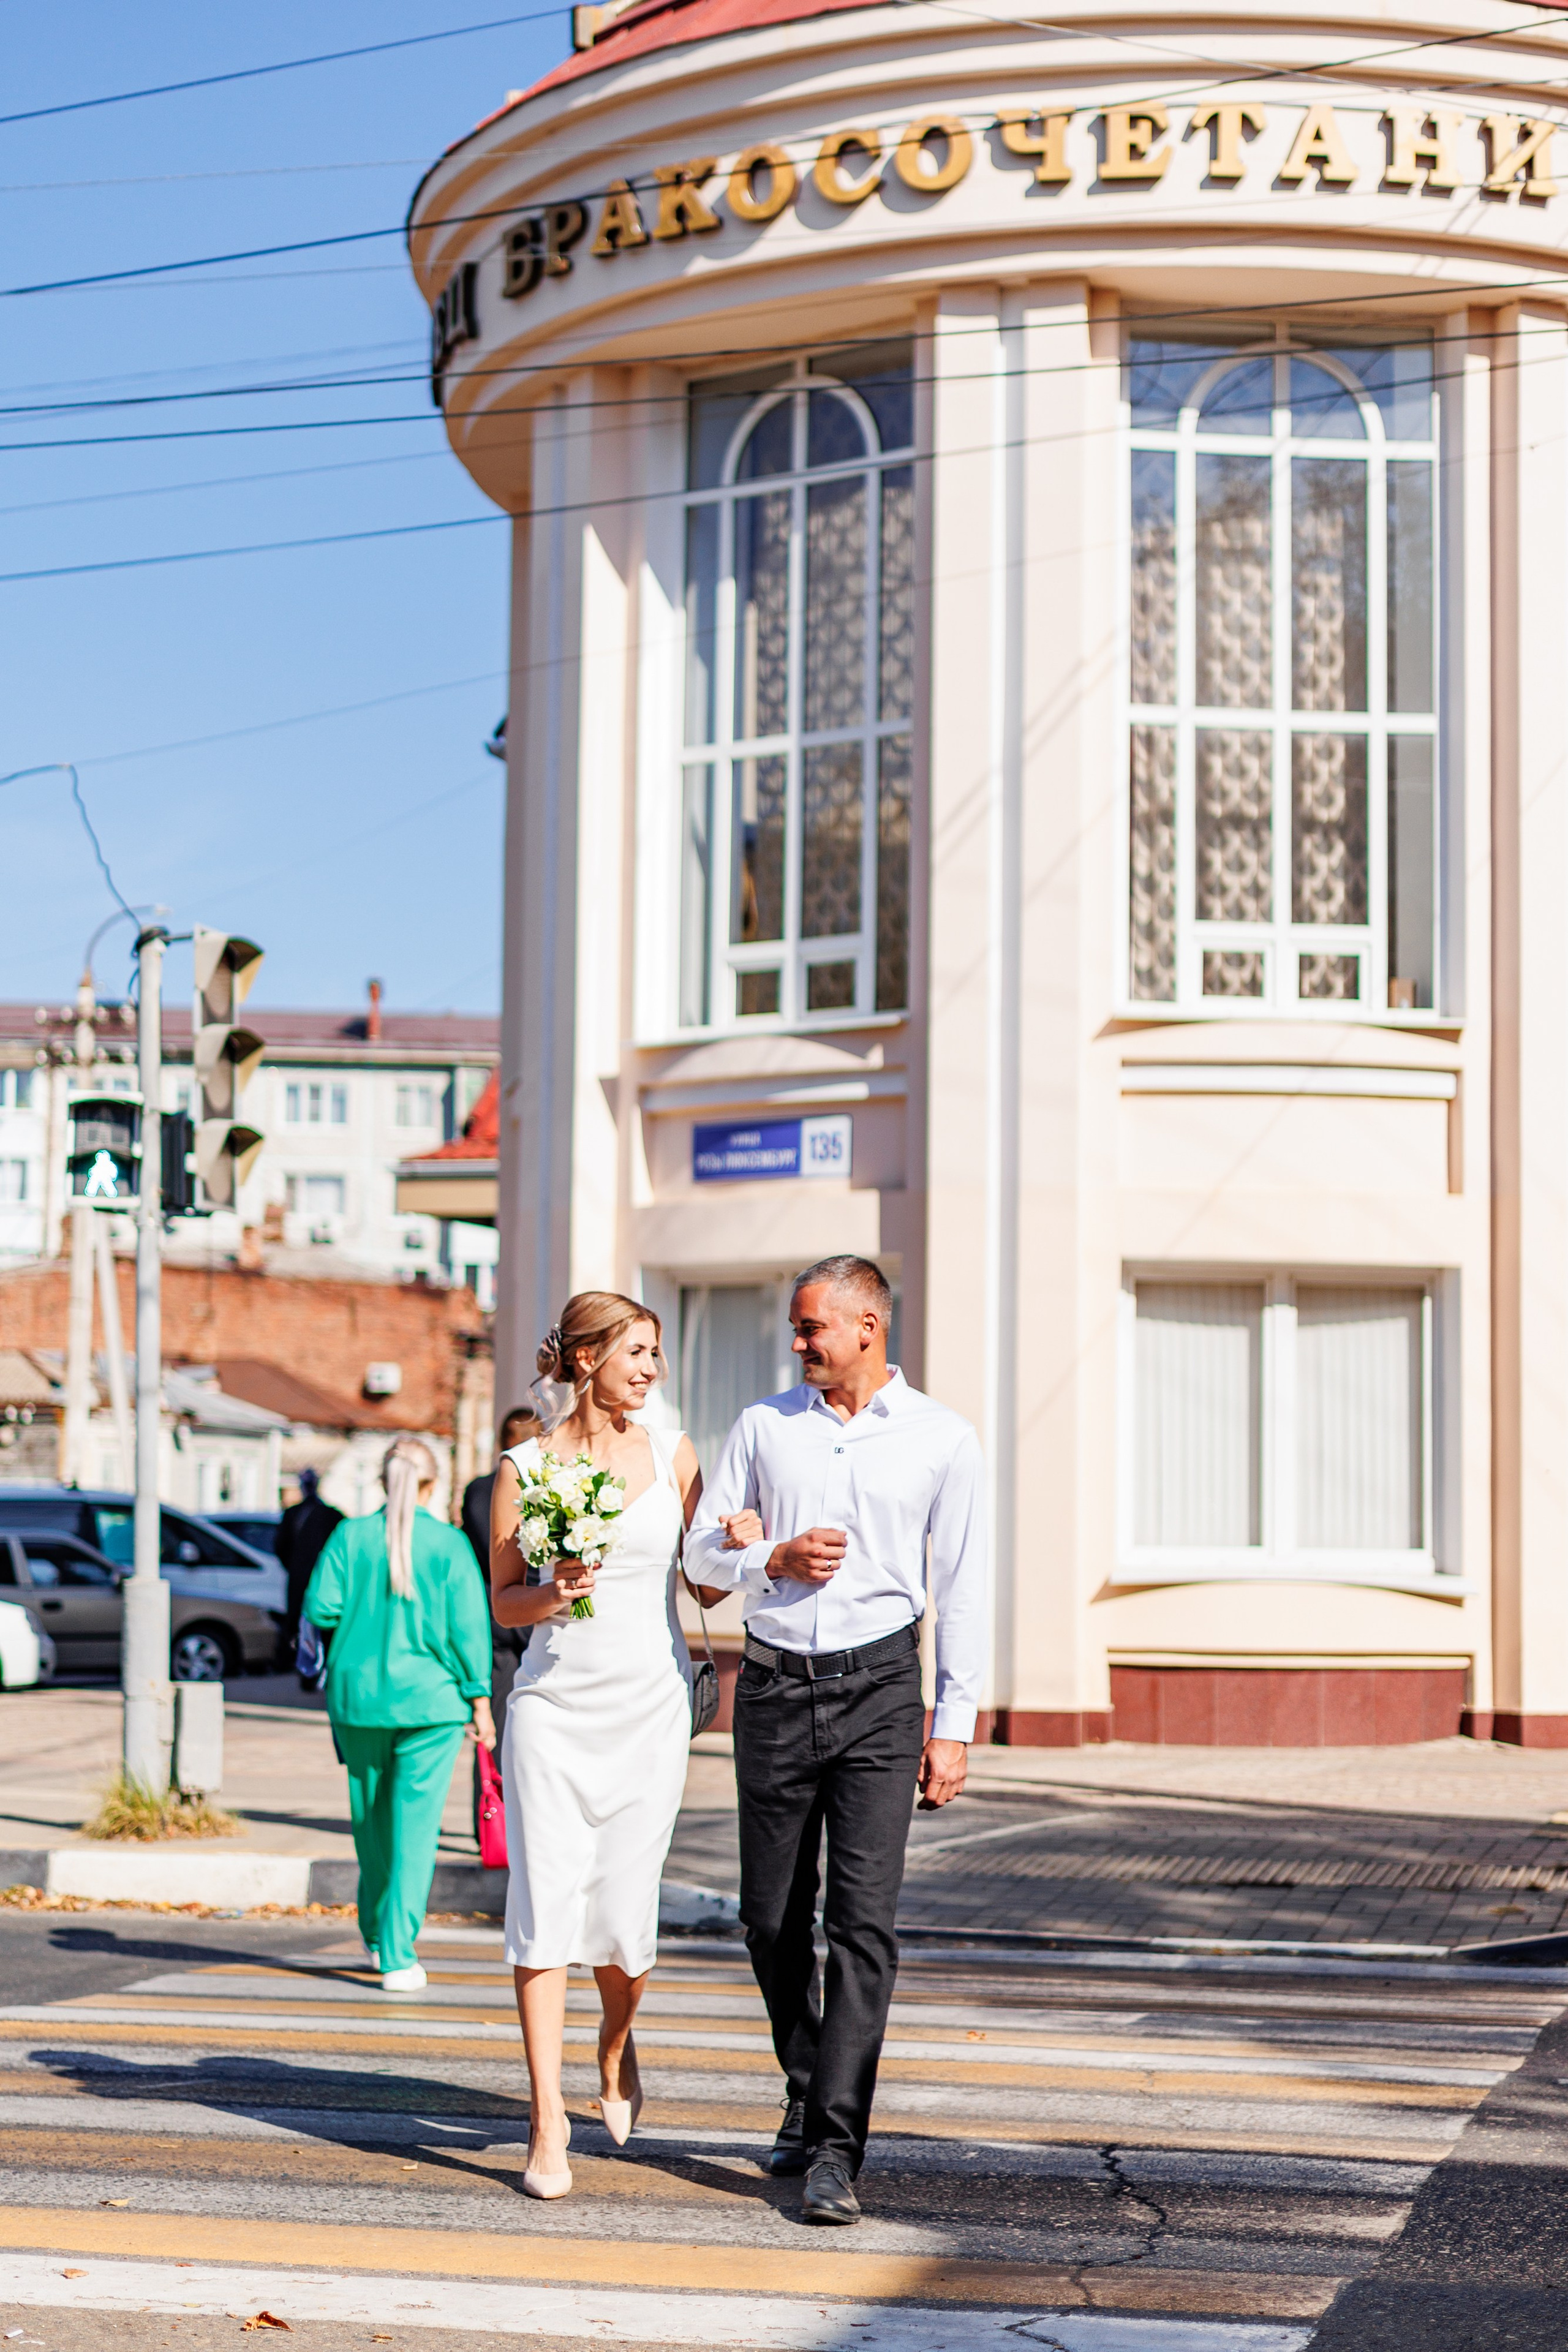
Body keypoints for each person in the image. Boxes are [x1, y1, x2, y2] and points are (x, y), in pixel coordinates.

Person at [685, 1255, 986, 2226]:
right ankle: (806, 2081)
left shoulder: (943, 1438)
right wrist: (767, 1555)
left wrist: (955, 1722)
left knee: (863, 1926)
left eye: (813, 1326)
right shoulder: (763, 1427)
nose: (798, 1341)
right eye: (795, 1327)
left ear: (868, 1326)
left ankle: (834, 2148)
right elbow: (697, 1558)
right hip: (773, 1688)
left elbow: (965, 1588)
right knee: (768, 1919)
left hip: (884, 1694)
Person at [489, 1292, 731, 2201]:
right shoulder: (523, 1466)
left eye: (658, 1353)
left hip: (649, 1709)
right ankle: (546, 2117)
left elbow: (706, 1587)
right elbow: (504, 1601)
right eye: (638, 1350)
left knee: (626, 1925)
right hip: (551, 1709)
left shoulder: (675, 1458)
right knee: (543, 1906)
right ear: (586, 1357)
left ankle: (616, 2041)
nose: (653, 1368)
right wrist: (554, 1591)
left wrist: (735, 1546)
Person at [303, 1438, 495, 1994]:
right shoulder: (450, 1545)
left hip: (358, 1699)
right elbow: (468, 1631)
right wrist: (479, 1699)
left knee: (371, 1825)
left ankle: (373, 1930)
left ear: (385, 1483)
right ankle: (397, 1952)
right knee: (414, 1832)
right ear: (432, 1485)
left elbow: (321, 1608)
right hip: (431, 1704)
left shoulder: (349, 1536)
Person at [461, 1407, 542, 1836]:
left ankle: (487, 1823)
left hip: (491, 1620)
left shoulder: (477, 1491)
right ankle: (525, 1824)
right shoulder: (544, 1486)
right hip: (538, 1614)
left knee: (491, 1723)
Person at [277, 1466, 342, 1662]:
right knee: (303, 1625)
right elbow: (282, 1547)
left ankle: (312, 1664)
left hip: (314, 1579)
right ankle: (305, 1665)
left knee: (317, 1622)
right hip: (309, 1578)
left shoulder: (327, 1515)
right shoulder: (297, 1514)